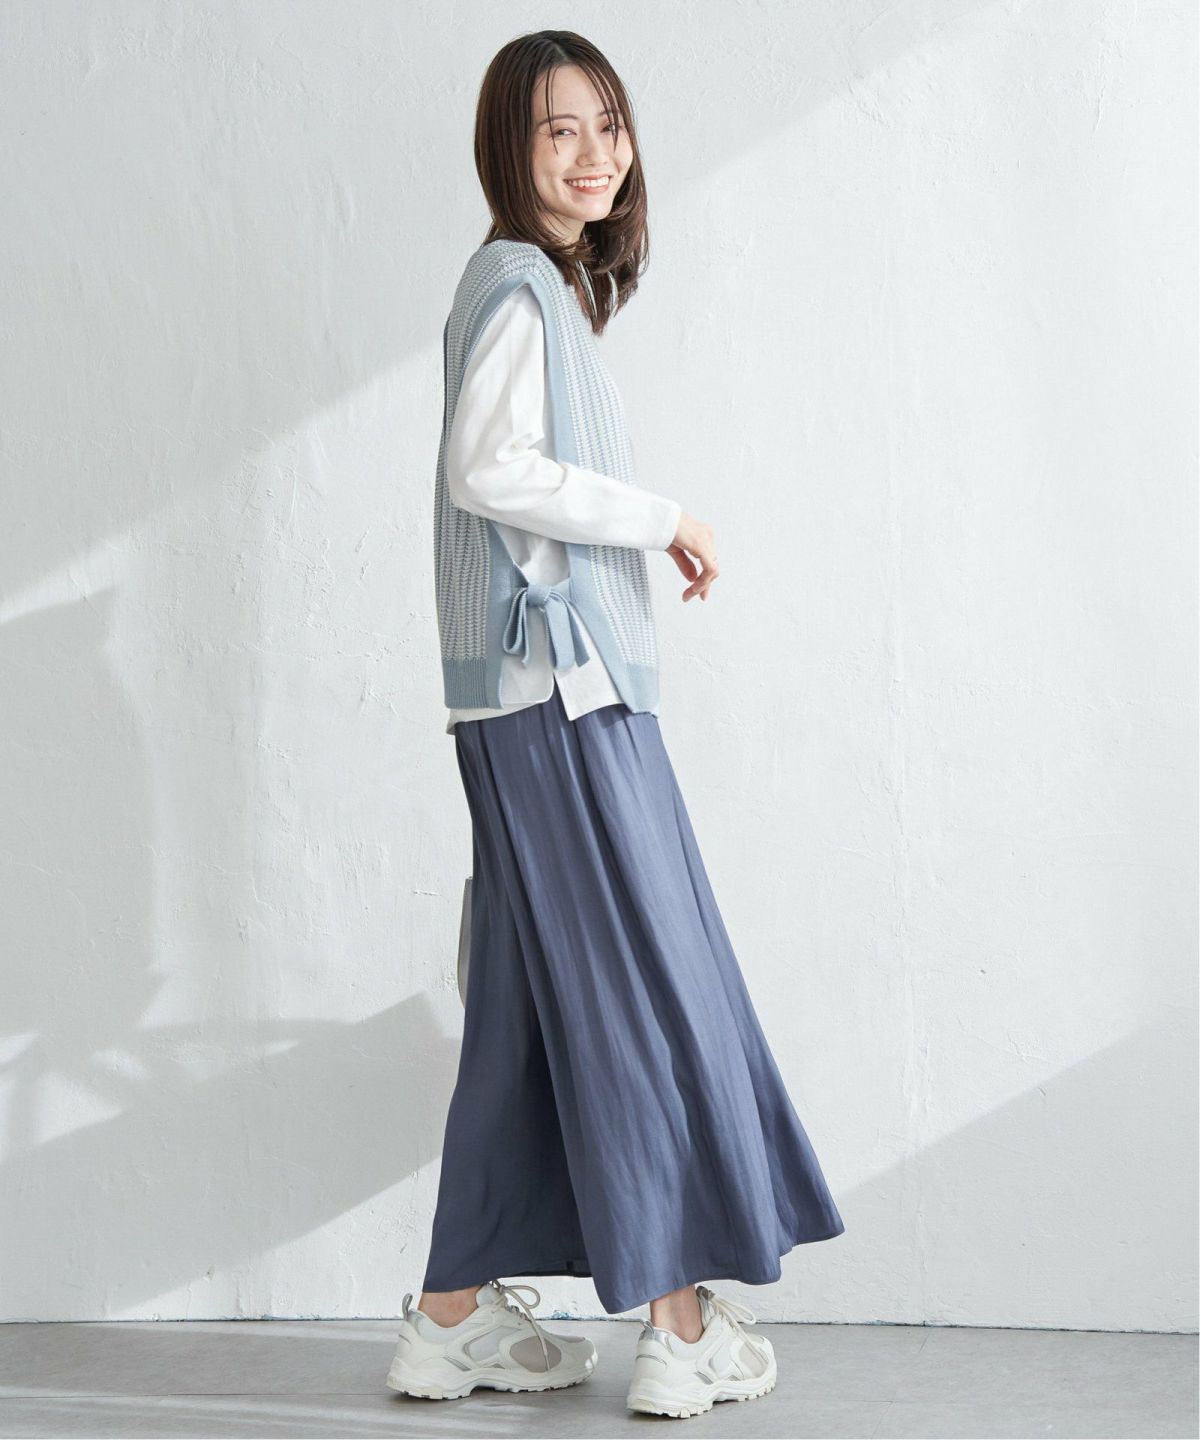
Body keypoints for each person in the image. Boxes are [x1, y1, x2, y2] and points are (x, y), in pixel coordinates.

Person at [386, 29, 845, 1421]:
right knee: (653, 986)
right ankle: (682, 1324)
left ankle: (449, 1321)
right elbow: (487, 467)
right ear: (508, 150)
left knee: (526, 1012)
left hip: (521, 701)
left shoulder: (521, 289)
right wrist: (665, 518)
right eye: (558, 132)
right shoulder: (519, 286)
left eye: (609, 125)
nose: (594, 156)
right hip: (566, 694)